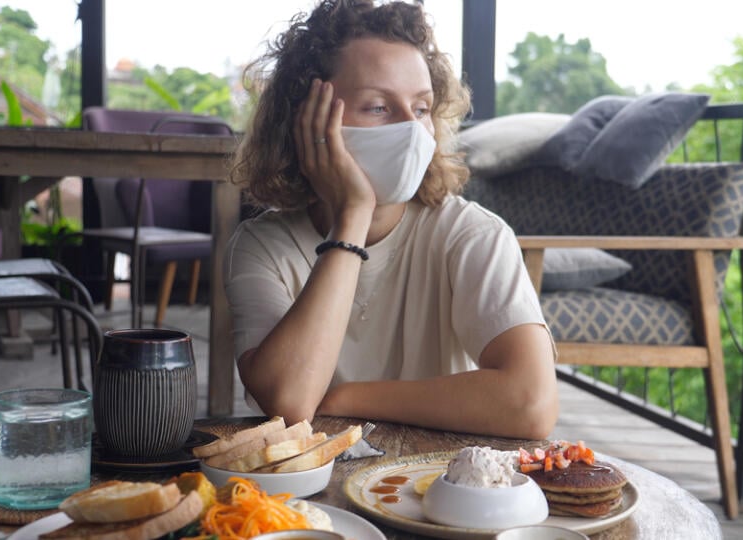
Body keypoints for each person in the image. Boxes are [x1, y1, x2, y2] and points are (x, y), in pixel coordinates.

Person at [225, 0, 557, 440]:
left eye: (420, 109)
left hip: (434, 489)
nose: (411, 129)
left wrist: (345, 399)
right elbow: (288, 399)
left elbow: (530, 403)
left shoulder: (473, 235)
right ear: (308, 122)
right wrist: (353, 216)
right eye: (379, 107)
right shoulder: (262, 246)